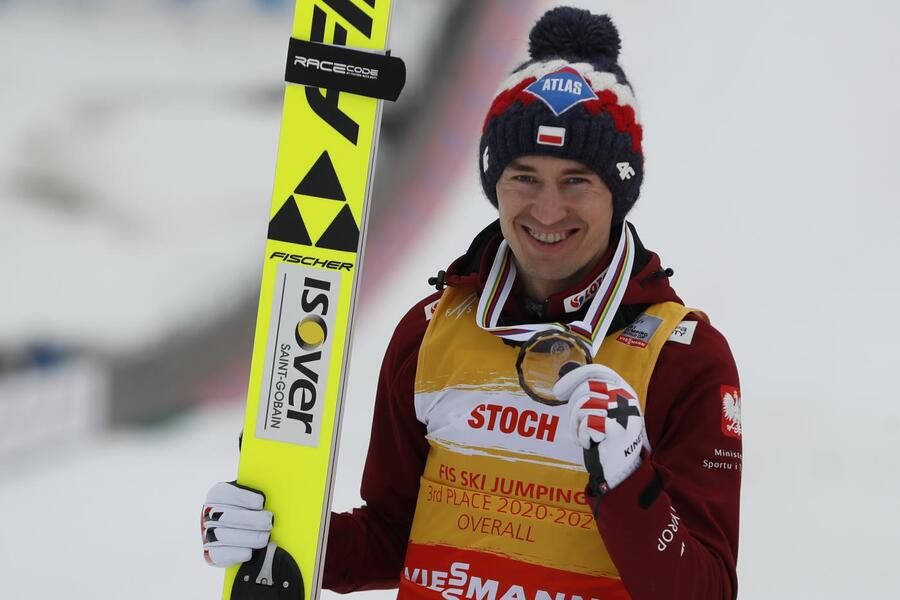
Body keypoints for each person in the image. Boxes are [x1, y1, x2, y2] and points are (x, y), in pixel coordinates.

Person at [202, 7, 742, 600]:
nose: (548, 210)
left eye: (576, 180)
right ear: (493, 183)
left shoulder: (683, 359)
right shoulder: (429, 331)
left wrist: (628, 478)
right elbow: (391, 536)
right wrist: (282, 536)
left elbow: (707, 592)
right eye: (524, 176)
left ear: (619, 192)